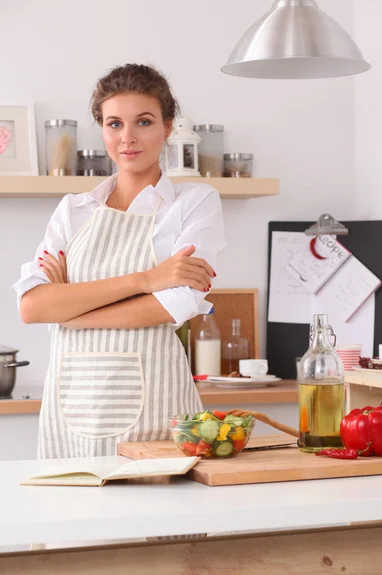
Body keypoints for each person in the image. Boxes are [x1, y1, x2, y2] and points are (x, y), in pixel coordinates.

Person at [14, 63, 225, 459]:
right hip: (71, 408)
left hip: (157, 410)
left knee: (164, 518)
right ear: (102, 129)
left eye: (143, 122)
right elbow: (32, 306)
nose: (127, 138)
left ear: (167, 125)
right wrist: (146, 280)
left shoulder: (193, 204)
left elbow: (172, 305)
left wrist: (69, 309)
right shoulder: (72, 211)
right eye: (114, 124)